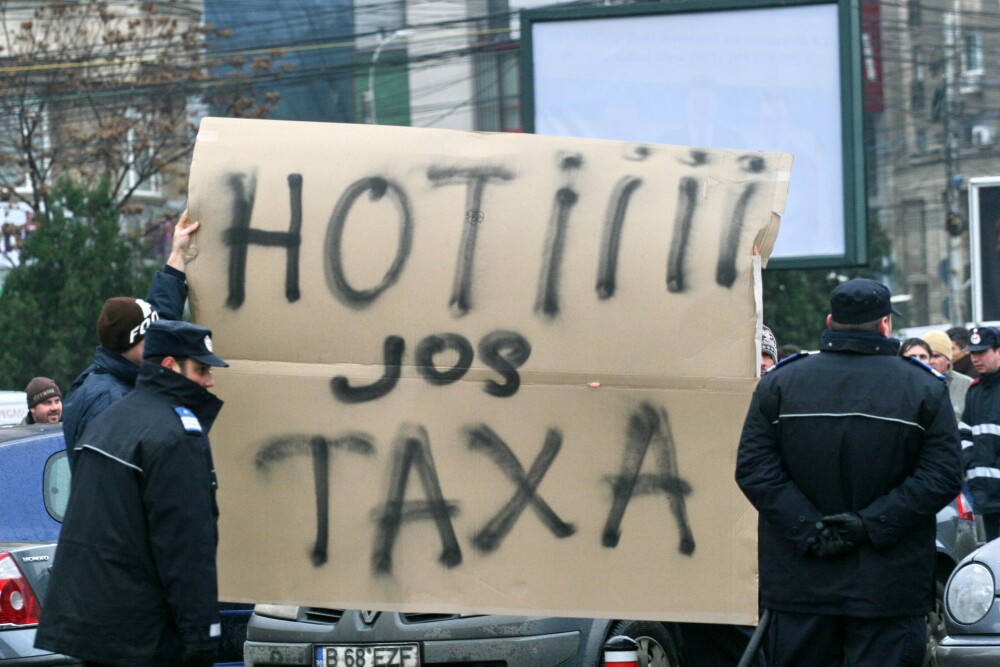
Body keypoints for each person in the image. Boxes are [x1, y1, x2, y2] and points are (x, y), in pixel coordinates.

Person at [736, 278, 961, 667]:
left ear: (829, 321)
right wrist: (869, 525)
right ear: (885, 325)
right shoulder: (924, 389)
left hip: (802, 586)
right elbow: (940, 477)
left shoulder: (781, 384)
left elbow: (754, 468)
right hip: (889, 590)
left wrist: (809, 528)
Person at [34, 320, 228, 667]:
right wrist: (202, 637)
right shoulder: (175, 436)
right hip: (144, 638)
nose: (209, 381)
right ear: (170, 366)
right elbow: (186, 546)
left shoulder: (113, 419)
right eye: (201, 369)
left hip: (96, 630)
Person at [61, 211, 199, 466]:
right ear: (131, 343)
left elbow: (161, 312)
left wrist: (177, 253)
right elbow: (113, 482)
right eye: (152, 335)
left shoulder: (126, 368)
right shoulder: (108, 402)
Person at [959, 326, 1000, 540]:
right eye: (973, 353)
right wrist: (970, 464)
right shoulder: (974, 391)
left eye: (982, 352)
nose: (975, 358)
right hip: (984, 496)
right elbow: (964, 433)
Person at [923, 330, 973, 420]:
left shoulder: (967, 384)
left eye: (936, 356)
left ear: (948, 359)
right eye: (925, 356)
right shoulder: (913, 384)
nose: (930, 361)